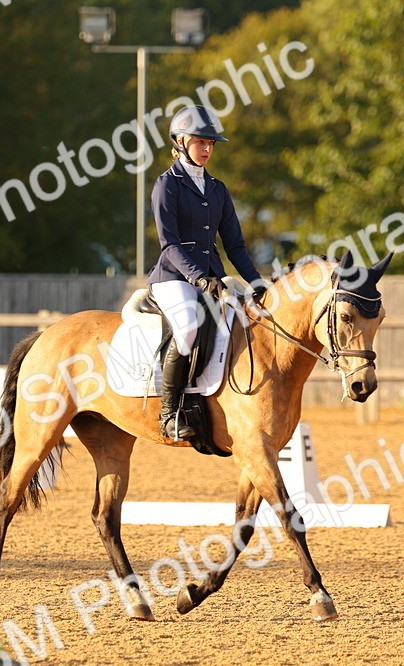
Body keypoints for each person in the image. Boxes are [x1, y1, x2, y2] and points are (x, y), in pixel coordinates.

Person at [147, 104, 266, 441]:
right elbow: (169, 245)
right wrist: (199, 278)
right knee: (186, 328)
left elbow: (235, 246)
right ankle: (169, 414)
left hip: (213, 276)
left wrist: (256, 282)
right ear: (181, 142)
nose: (207, 149)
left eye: (211, 144)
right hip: (173, 277)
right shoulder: (166, 186)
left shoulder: (217, 189)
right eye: (201, 142)